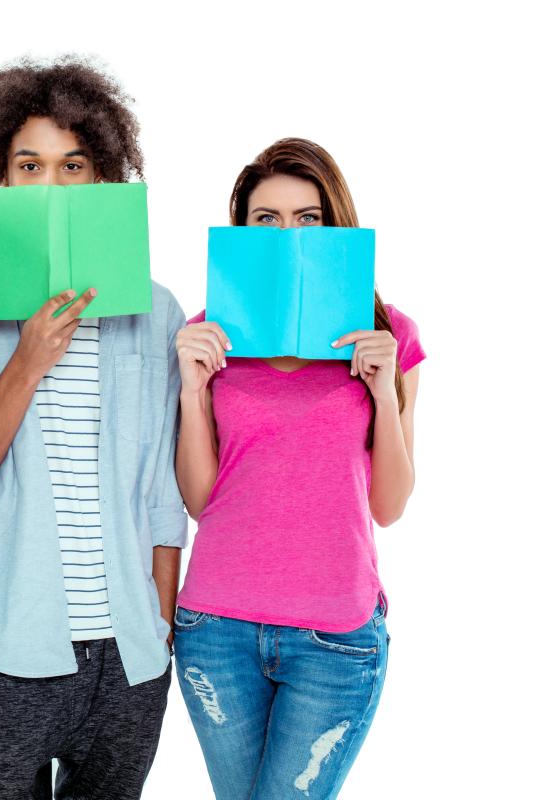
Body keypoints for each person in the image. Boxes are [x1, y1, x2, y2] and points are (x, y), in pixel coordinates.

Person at [0, 57, 187, 799]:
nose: (51, 183)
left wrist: (159, 624)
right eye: (29, 163)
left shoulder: (154, 309)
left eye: (74, 164)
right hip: (9, 641)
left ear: (102, 177)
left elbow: (165, 490)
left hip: (131, 652)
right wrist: (27, 363)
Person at [172, 137, 424, 800]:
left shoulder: (388, 332)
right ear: (243, 231)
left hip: (334, 641)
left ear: (334, 225)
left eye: (308, 218)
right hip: (215, 632)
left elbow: (389, 506)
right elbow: (202, 501)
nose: (288, 235)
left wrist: (382, 391)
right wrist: (191, 391)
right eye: (267, 220)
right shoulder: (210, 333)